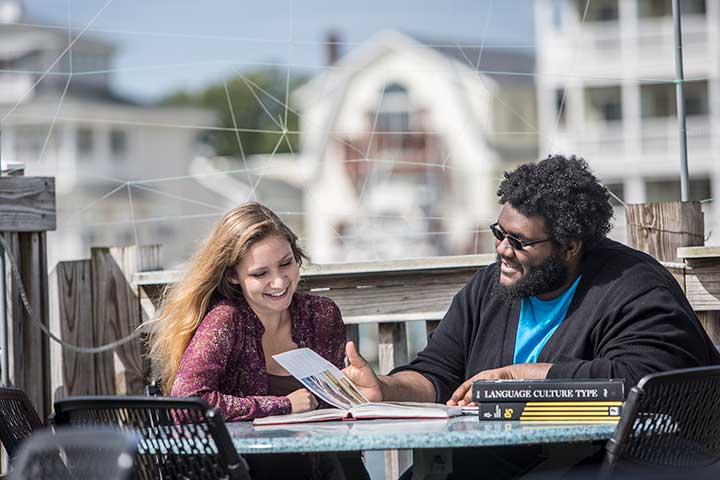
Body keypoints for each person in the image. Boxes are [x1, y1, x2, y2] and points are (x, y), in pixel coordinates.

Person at [343, 155, 720, 478]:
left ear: (569, 246)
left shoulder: (633, 286)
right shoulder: (491, 286)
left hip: (625, 461)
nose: (502, 250)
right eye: (499, 233)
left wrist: (517, 376)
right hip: (518, 457)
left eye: (519, 241)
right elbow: (439, 372)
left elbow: (646, 380)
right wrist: (385, 389)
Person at [149, 202, 367, 480]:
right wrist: (282, 405)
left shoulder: (322, 315)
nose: (279, 282)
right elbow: (187, 405)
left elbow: (330, 410)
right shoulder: (226, 321)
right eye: (260, 274)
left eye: (286, 264)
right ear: (232, 275)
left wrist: (355, 395)